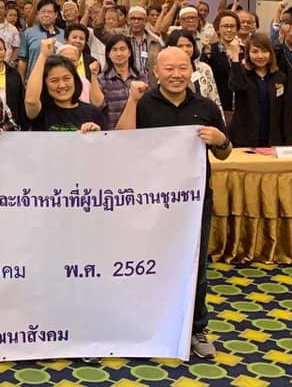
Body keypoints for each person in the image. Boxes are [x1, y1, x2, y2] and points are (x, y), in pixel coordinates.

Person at [117, 47, 231, 359]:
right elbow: (122, 141)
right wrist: (132, 101)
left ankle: (196, 329)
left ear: (191, 71)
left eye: (182, 68)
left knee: (195, 265)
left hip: (194, 202)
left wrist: (220, 140)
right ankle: (144, 325)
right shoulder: (144, 103)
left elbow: (225, 152)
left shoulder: (206, 107)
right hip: (148, 201)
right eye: (169, 69)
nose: (176, 75)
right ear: (156, 72)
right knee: (145, 262)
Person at [227, 32, 292, 147]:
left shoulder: (280, 76)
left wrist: (288, 141)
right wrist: (235, 57)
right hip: (245, 139)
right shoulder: (242, 73)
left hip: (272, 138)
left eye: (264, 51)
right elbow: (236, 86)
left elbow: (285, 112)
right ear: (248, 54)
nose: (260, 56)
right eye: (255, 51)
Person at [24, 38, 106, 132]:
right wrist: (43, 55)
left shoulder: (92, 112)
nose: (62, 85)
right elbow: (31, 101)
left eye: (67, 78)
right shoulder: (40, 111)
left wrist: (95, 133)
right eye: (54, 81)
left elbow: (104, 138)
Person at [167, 29, 224, 120]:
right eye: (180, 46)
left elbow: (214, 98)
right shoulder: (167, 71)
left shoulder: (204, 69)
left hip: (204, 119)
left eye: (188, 45)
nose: (185, 49)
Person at [99, 34, 141, 130]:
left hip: (139, 131)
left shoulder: (141, 77)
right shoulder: (101, 79)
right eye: (114, 50)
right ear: (108, 54)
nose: (119, 54)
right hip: (111, 133)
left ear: (129, 52)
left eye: (122, 49)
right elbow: (98, 107)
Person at [202, 11, 241, 111]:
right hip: (220, 104)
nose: (229, 30)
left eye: (232, 26)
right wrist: (207, 53)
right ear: (218, 29)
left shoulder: (245, 51)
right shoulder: (210, 50)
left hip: (241, 105)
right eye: (225, 26)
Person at [20, 0, 65, 79]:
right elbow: (23, 61)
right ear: (38, 14)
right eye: (43, 12)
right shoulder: (28, 33)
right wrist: (21, 81)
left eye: (50, 12)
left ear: (56, 15)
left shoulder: (63, 34)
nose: (46, 15)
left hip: (58, 80)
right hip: (34, 79)